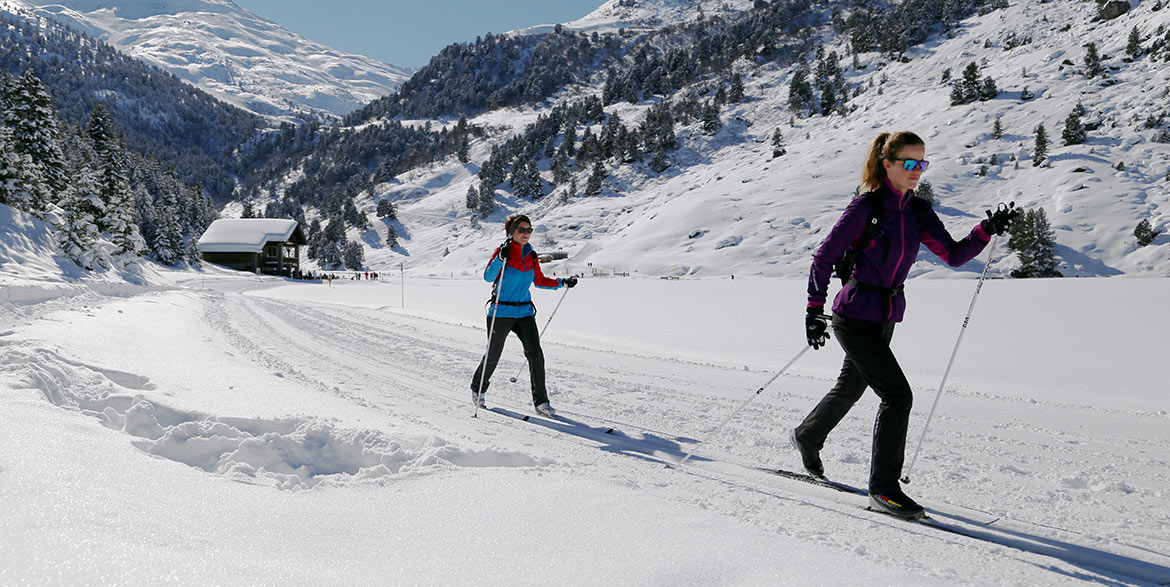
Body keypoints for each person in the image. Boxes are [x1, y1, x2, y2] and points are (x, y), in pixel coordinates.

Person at [791, 131, 1018, 518]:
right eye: (909, 164)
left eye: (922, 164)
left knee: (851, 385)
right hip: (853, 315)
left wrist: (985, 231)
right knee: (898, 395)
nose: (916, 171)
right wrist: (813, 310)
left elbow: (954, 255)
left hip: (885, 315)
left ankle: (808, 435)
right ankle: (883, 490)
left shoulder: (918, 212)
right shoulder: (867, 207)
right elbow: (824, 257)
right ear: (888, 164)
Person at [471, 214, 578, 417]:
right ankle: (478, 388)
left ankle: (541, 402)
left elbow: (538, 280)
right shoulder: (503, 252)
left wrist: (561, 282)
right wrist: (500, 259)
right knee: (493, 354)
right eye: (521, 230)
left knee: (535, 354)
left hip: (525, 312)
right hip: (501, 311)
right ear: (512, 232)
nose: (526, 234)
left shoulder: (532, 255)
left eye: (529, 230)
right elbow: (487, 277)